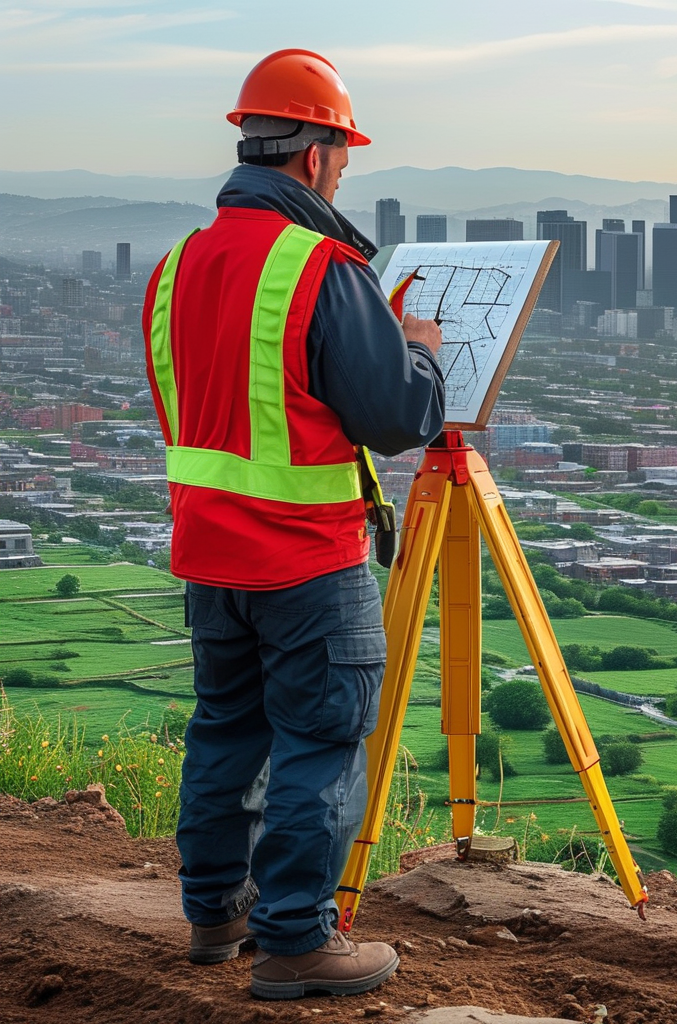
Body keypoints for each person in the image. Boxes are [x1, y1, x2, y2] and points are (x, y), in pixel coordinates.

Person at [142, 49, 445, 1001]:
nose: (343, 169)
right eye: (342, 154)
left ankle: (213, 916)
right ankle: (296, 943)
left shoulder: (177, 264)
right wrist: (420, 354)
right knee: (319, 744)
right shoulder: (321, 267)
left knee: (225, 732)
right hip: (308, 561)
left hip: (210, 556)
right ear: (312, 155)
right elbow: (396, 416)